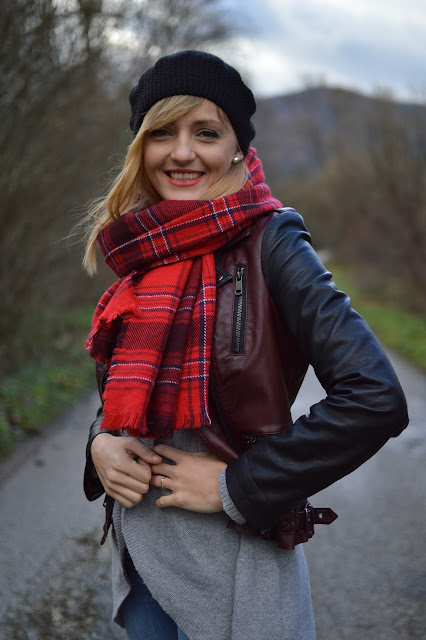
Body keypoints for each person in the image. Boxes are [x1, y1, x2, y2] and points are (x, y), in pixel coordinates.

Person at [82, 50, 408, 640]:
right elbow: (117, 395)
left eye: (206, 132)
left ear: (236, 146)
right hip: (143, 565)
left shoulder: (272, 241)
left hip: (234, 574)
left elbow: (375, 397)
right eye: (162, 132)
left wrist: (237, 485)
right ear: (140, 147)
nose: (182, 153)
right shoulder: (143, 246)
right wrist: (100, 443)